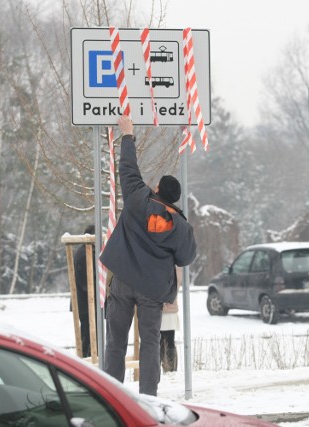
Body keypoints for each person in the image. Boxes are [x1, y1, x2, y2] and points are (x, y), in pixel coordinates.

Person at [100, 115, 197, 396]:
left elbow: (128, 168)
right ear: (174, 200)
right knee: (150, 343)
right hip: (152, 291)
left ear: (156, 189)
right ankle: (148, 398)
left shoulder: (137, 199)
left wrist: (127, 134)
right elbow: (186, 257)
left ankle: (113, 396)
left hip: (123, 283)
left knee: (115, 341)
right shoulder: (181, 226)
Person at [73, 224, 95, 357]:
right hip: (86, 301)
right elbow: (84, 281)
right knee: (88, 333)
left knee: (89, 332)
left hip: (86, 301)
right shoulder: (84, 253)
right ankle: (87, 357)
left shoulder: (84, 251)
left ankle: (88, 356)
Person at [160, 267, 182, 373]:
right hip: (166, 305)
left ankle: (170, 370)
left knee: (167, 340)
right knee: (166, 340)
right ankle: (169, 370)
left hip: (167, 306)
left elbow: (176, 281)